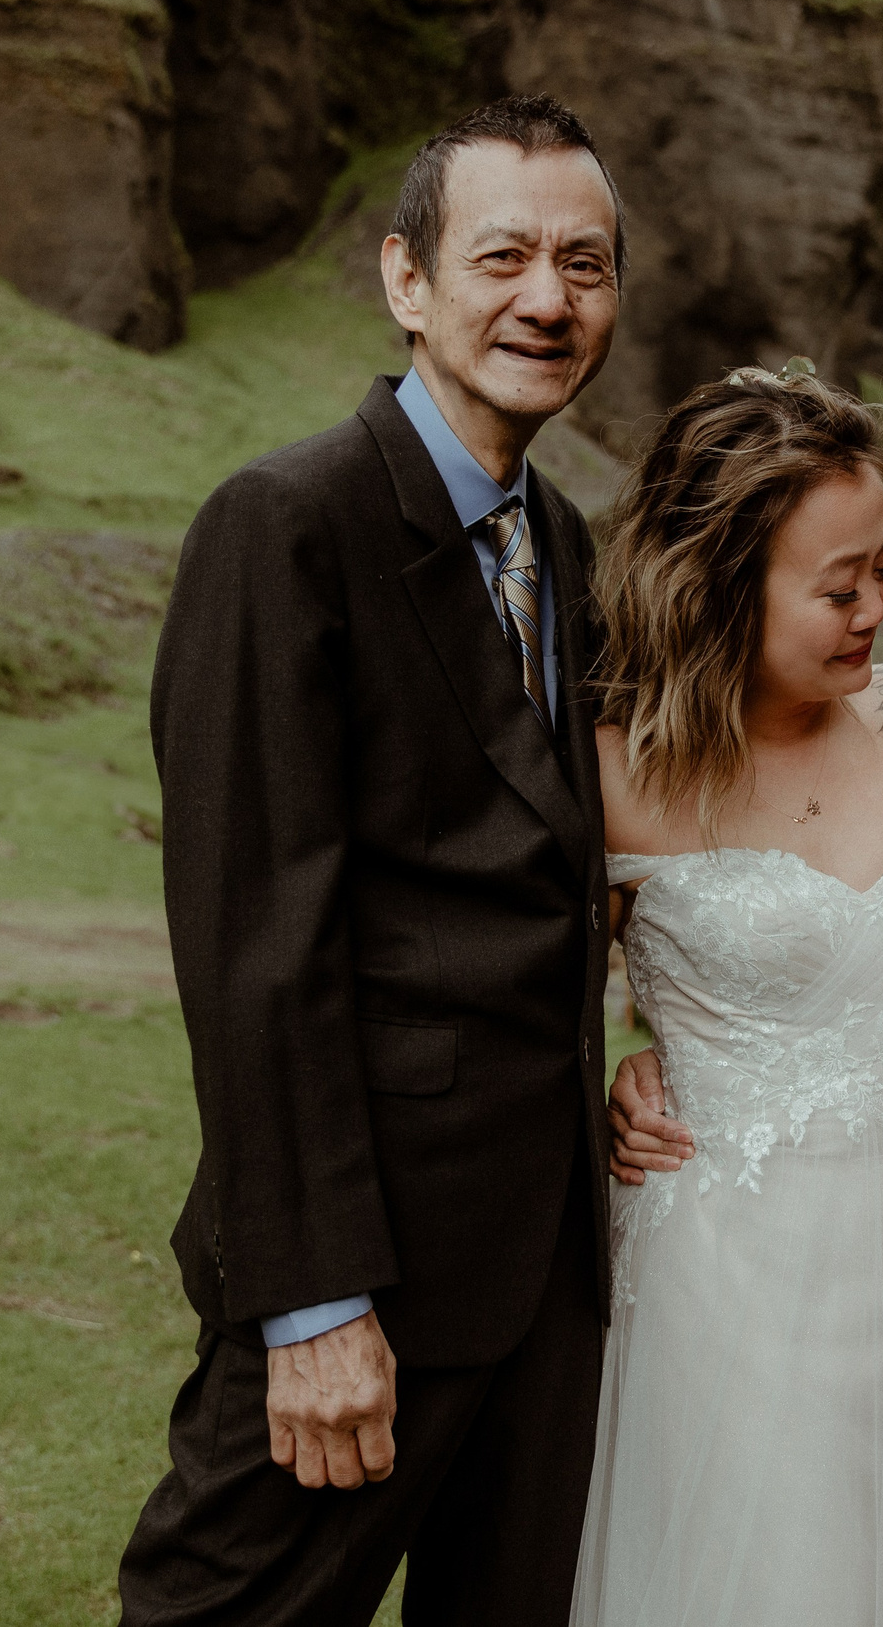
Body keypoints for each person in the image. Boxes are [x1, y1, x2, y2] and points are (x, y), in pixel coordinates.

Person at [116, 96, 626, 1626]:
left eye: (587, 263)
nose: (550, 298)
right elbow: (251, 940)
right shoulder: (282, 526)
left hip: (546, 1274)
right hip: (368, 1272)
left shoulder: (569, 541)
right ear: (408, 281)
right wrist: (314, 1300)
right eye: (507, 256)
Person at [578, 362, 883, 1625]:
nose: (879, 603)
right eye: (840, 584)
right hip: (732, 1276)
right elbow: (533, 1003)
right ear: (720, 585)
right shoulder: (611, 772)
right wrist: (605, 1076)